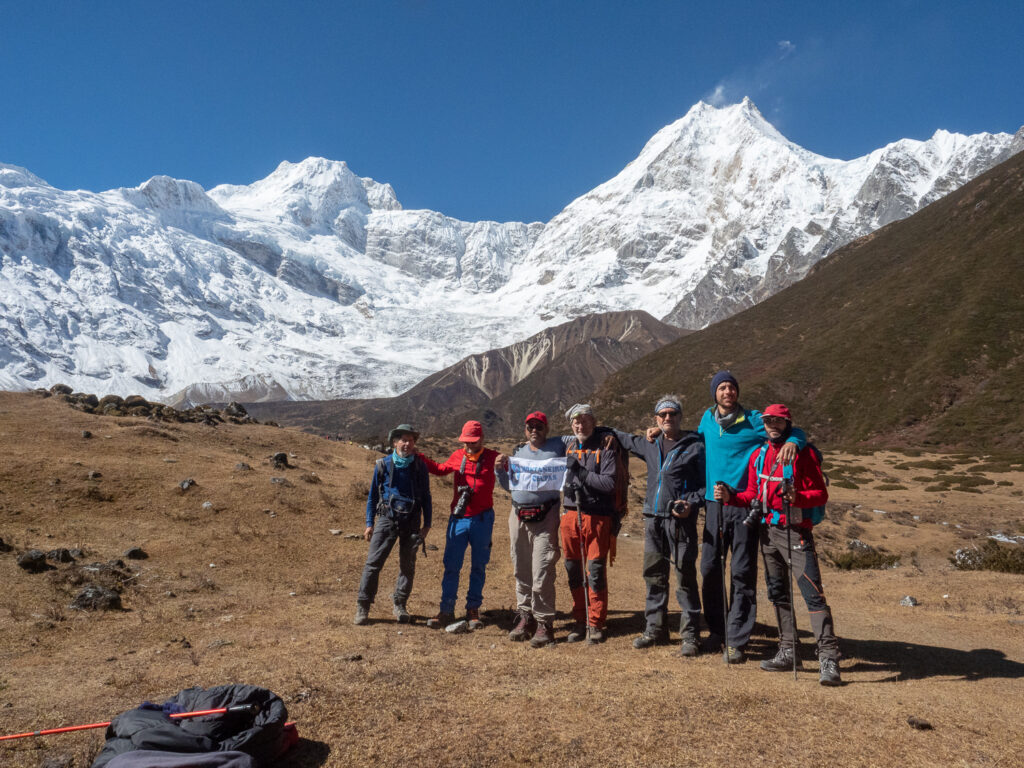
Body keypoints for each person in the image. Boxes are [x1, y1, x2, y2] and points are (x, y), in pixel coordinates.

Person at [717, 403, 841, 686]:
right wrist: (730, 497)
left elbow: (820, 494)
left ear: (787, 423)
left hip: (795, 532)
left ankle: (828, 658)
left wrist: (796, 497)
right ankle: (788, 650)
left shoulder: (803, 454)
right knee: (777, 591)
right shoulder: (759, 455)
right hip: (768, 532)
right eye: (768, 421)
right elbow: (751, 493)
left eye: (778, 421)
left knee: (812, 593)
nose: (773, 425)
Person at [614, 397, 705, 656]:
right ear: (655, 419)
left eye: (672, 413)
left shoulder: (696, 446)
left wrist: (690, 503)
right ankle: (655, 629)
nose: (667, 418)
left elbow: (705, 485)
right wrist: (593, 429)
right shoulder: (648, 444)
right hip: (653, 519)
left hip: (680, 522)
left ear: (680, 416)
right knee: (654, 575)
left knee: (684, 575)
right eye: (662, 414)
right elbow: (620, 437)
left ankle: (690, 635)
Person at [496, 411, 565, 648]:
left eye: (539, 426)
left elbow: (582, 433)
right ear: (525, 429)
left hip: (547, 516)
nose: (534, 430)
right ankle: (526, 616)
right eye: (530, 426)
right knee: (521, 568)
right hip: (518, 515)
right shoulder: (518, 452)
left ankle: (545, 622)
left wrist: (604, 436)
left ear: (547, 428)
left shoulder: (559, 445)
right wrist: (499, 470)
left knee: (543, 569)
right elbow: (509, 485)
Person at [421, 420, 500, 630]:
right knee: (451, 566)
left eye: (473, 442)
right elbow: (440, 469)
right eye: (466, 442)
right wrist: (419, 457)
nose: (469, 446)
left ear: (482, 439)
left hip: (483, 519)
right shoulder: (458, 456)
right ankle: (446, 610)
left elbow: (511, 472)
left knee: (479, 565)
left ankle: (473, 609)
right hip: (459, 518)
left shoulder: (493, 457)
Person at [354, 424, 432, 625]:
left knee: (408, 566)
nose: (407, 444)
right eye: (403, 440)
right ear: (395, 442)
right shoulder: (382, 465)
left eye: (411, 440)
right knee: (373, 564)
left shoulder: (420, 466)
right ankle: (363, 606)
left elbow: (426, 497)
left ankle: (400, 604)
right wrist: (369, 523)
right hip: (387, 519)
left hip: (412, 521)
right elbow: (372, 497)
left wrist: (427, 524)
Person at [561, 403, 620, 644]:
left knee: (594, 571)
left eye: (585, 420)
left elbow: (608, 484)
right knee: (573, 569)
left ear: (593, 422)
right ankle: (580, 618)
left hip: (597, 517)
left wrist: (582, 474)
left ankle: (595, 622)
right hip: (569, 516)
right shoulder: (567, 445)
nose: (580, 425)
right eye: (576, 421)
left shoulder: (605, 447)